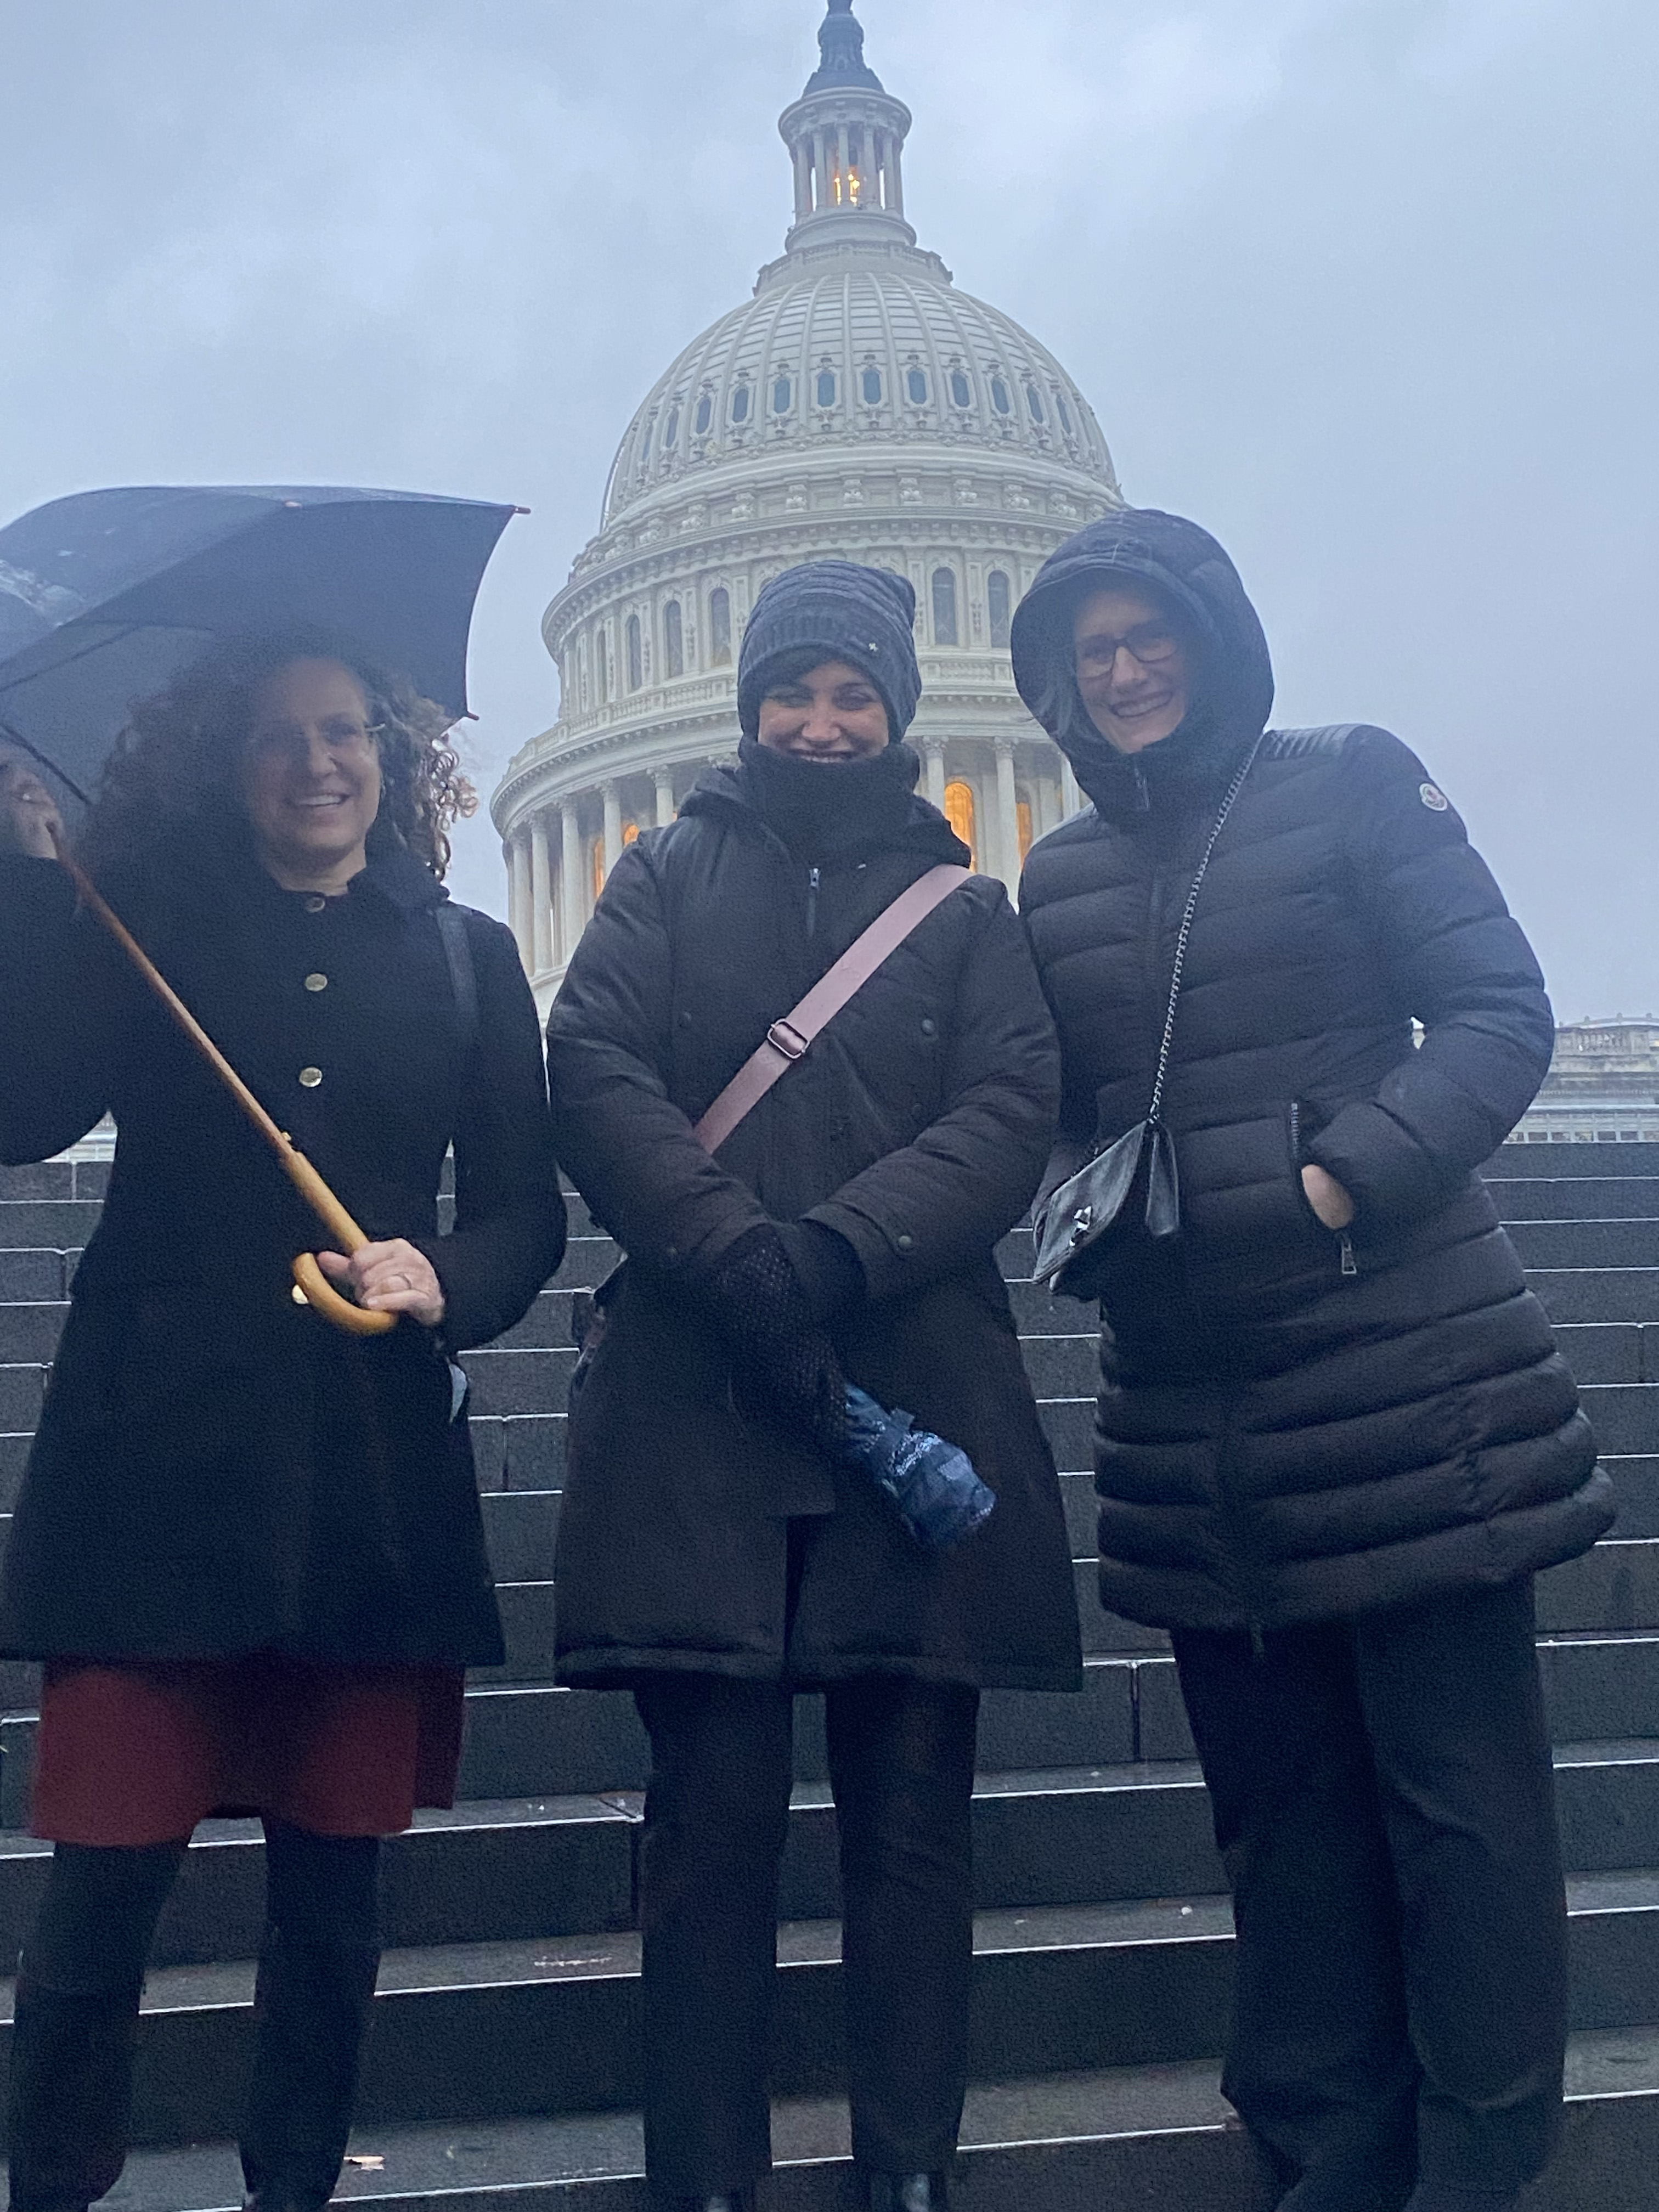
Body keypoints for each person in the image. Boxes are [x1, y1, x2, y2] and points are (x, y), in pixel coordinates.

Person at [1011, 508, 1610, 2212]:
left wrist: (1339, 1171)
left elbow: (1499, 1012)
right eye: (1091, 651)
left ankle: (1477, 2164)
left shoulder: (1350, 780)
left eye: (1149, 638)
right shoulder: (1054, 876)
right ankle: (1323, 2151)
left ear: (1212, 639)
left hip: (1411, 1392)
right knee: (1281, 1825)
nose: (1122, 673)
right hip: (1200, 1423)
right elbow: (1049, 1111)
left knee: (1462, 1819)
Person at [0, 634, 566, 2212]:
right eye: (275, 739)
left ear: (390, 756)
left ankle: (294, 2191)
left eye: (343, 732)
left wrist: (436, 1272)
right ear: (226, 764)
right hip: (151, 1469)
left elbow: (525, 1222)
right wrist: (35, 884)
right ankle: (49, 2188)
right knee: (101, 1896)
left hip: (365, 1478)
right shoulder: (145, 924)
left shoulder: (466, 956)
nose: (314, 763)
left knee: (333, 1906)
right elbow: (20, 1110)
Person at [545, 560, 1080, 2212]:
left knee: (913, 1838)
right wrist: (736, 1250)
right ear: (749, 702)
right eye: (796, 691)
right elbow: (596, 1068)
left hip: (905, 1396)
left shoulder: (972, 914)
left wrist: (836, 1252)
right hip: (701, 1417)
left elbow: (1010, 1110)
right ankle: (704, 2177)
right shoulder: (661, 873)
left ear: (903, 716)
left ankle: (904, 2169)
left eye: (855, 694)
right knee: (706, 1841)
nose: (823, 721)